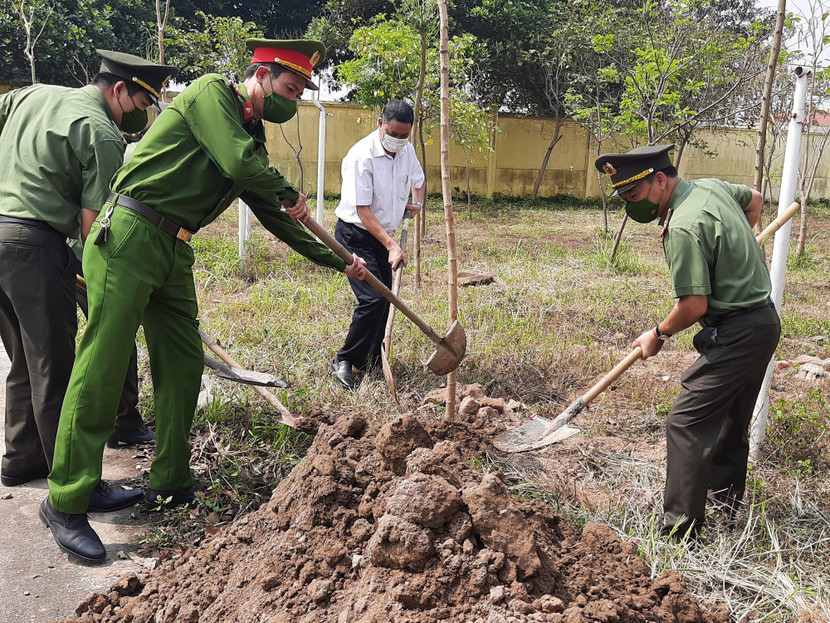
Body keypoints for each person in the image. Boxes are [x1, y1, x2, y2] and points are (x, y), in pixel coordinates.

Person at [42, 39, 366, 563]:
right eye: (289, 88)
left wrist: (340, 259)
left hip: (175, 247)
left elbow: (275, 214)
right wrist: (288, 190)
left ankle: (170, 482)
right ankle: (66, 500)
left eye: (300, 93)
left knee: (182, 364)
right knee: (102, 364)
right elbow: (240, 165)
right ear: (261, 75)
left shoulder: (251, 137)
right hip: (129, 233)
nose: (293, 100)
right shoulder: (211, 94)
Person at [0, 51, 175, 494]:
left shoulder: (31, 94)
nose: (139, 117)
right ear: (119, 89)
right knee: (55, 367)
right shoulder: (101, 131)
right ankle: (74, 482)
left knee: (24, 359)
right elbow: (94, 227)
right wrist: (104, 283)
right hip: (34, 246)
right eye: (141, 104)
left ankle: (21, 459)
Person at [595, 144, 781, 539]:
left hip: (737, 333)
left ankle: (679, 532)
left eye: (634, 194)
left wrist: (658, 335)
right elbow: (755, 200)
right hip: (762, 323)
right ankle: (723, 507)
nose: (630, 204)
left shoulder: (682, 226)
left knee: (685, 422)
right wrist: (736, 251)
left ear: (660, 180)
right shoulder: (710, 187)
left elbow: (694, 305)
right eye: (624, 197)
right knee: (731, 420)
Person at [330, 99, 426, 390]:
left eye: (404, 135)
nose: (398, 140)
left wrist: (417, 203)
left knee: (387, 300)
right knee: (374, 299)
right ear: (381, 124)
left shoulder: (407, 151)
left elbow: (419, 180)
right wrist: (392, 246)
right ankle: (345, 360)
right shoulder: (361, 156)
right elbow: (363, 210)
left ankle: (372, 357)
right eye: (393, 133)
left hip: (382, 237)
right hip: (355, 235)